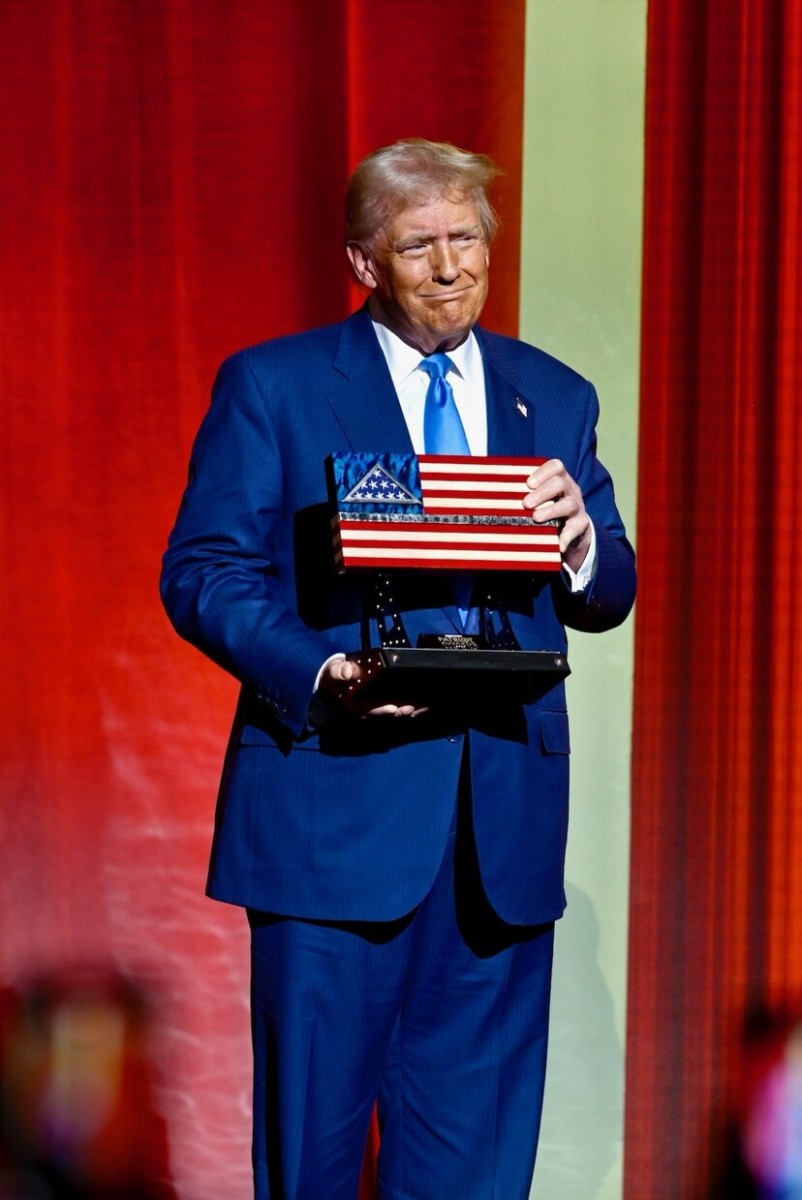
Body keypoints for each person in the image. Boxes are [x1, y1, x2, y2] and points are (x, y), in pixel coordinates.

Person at [160, 138, 636, 1200]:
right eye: (419, 245)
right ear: (364, 261)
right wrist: (322, 671)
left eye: (467, 237)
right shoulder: (274, 387)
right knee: (315, 1164)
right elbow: (203, 573)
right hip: (333, 824)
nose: (452, 264)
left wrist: (578, 542)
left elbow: (607, 590)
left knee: (474, 1168)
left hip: (499, 843)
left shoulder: (549, 395)